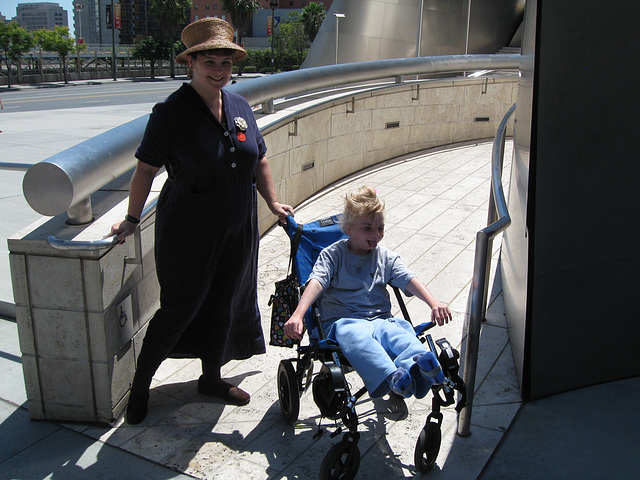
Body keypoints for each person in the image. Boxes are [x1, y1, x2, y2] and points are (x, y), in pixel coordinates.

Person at [110, 18, 293, 424]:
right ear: (190, 63)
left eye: (225, 63)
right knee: (180, 306)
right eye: (209, 61)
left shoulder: (240, 105)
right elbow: (144, 170)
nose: (218, 71)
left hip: (238, 226)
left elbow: (258, 158)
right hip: (189, 230)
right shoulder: (170, 113)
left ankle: (211, 377)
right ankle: (141, 386)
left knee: (225, 301)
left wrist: (274, 203)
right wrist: (130, 218)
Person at [283, 186, 451, 399]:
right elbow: (316, 283)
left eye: (381, 228)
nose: (377, 235)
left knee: (400, 335)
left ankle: (418, 366)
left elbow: (408, 278)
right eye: (368, 228)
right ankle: (391, 376)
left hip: (381, 319)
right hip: (344, 321)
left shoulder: (384, 256)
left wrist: (433, 303)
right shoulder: (333, 255)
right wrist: (298, 314)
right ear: (348, 228)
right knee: (358, 337)